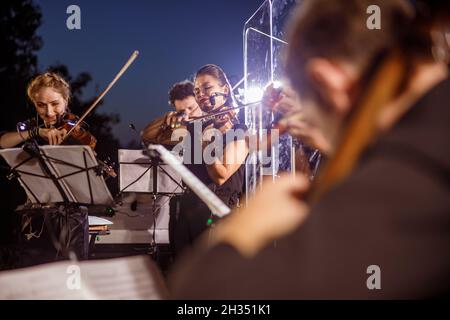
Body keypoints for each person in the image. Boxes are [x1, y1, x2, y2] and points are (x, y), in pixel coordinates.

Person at [169, 0, 450, 298]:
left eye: (309, 103)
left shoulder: (407, 177)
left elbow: (202, 297)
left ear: (327, 79)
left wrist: (246, 228)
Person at [0, 72, 97, 265]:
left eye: (55, 104)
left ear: (66, 100)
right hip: (36, 216)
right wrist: (35, 131)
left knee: (71, 279)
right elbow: (3, 142)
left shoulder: (74, 128)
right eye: (41, 105)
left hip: (72, 218)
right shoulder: (31, 127)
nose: (49, 112)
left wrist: (75, 139)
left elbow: (91, 145)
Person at [169, 64, 249, 258]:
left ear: (225, 89)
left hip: (216, 216)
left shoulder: (239, 129)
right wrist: (168, 120)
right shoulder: (195, 127)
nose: (201, 94)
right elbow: (148, 135)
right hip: (186, 211)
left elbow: (220, 176)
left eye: (207, 87)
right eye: (197, 90)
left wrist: (207, 142)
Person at [141, 80, 202, 146]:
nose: (187, 116)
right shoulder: (177, 126)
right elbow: (145, 136)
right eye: (181, 112)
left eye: (191, 108)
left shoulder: (212, 122)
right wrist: (165, 119)